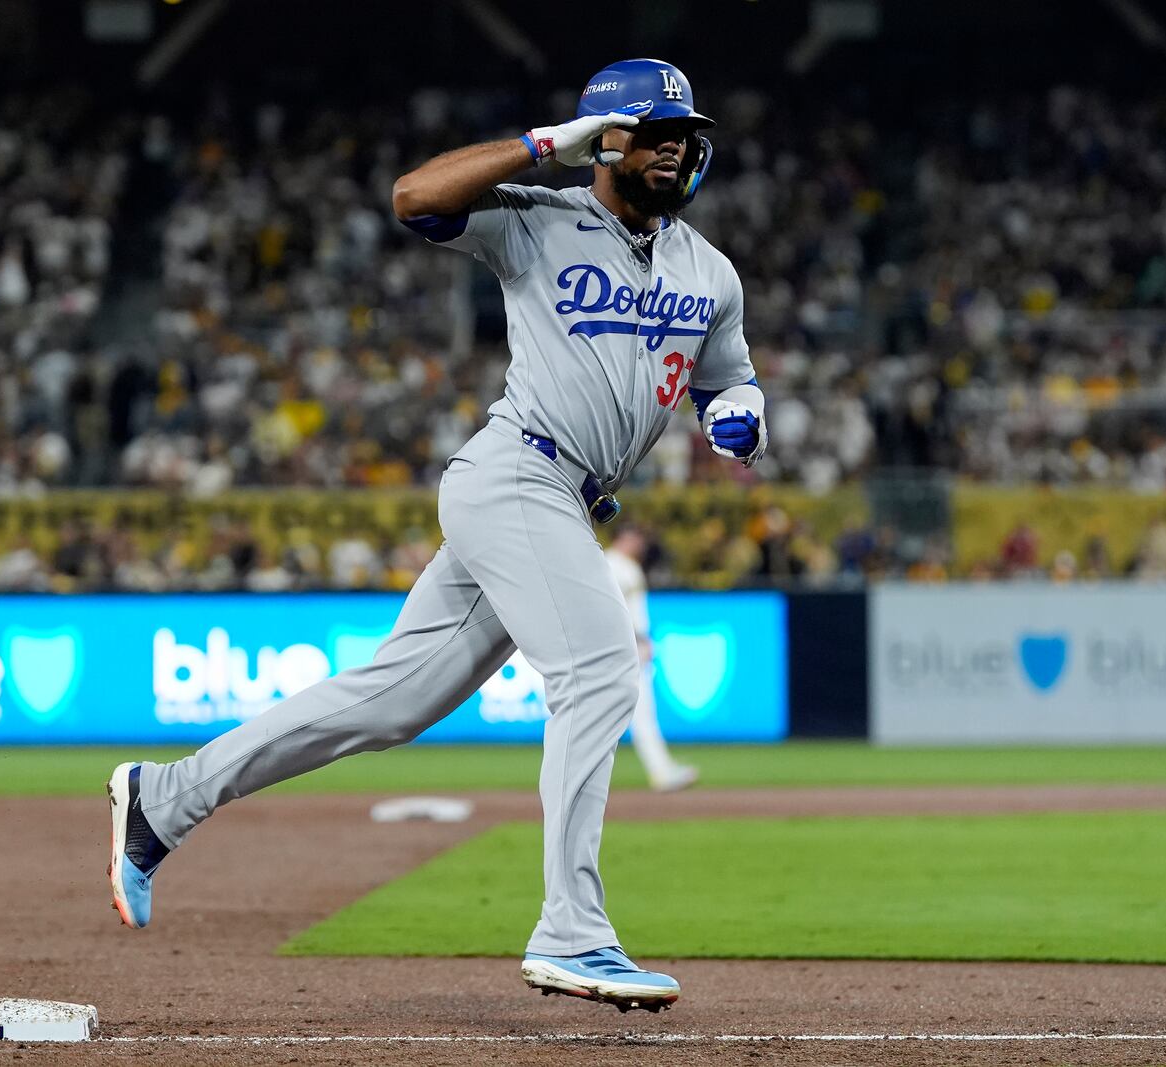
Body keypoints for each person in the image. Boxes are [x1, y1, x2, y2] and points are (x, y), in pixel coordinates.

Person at [105, 58, 765, 1013]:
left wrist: (737, 410)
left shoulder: (709, 269)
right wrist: (545, 148)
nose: (676, 146)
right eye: (656, 129)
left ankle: (164, 800)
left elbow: (727, 377)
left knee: (387, 704)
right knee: (600, 670)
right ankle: (572, 930)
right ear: (606, 140)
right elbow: (414, 197)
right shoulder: (539, 218)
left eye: (684, 132)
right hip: (517, 473)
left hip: (562, 501)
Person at [605, 526, 697, 792]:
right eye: (636, 539)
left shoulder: (624, 565)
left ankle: (662, 769)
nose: (640, 545)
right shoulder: (612, 563)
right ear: (624, 538)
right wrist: (638, 639)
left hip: (631, 644)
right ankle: (662, 772)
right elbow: (614, 608)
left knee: (637, 715)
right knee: (641, 714)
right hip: (626, 647)